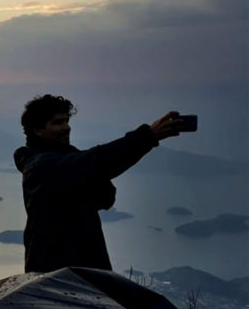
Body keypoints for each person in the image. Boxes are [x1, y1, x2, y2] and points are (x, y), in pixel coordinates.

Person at [13, 94, 183, 273]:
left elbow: (105, 194)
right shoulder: (42, 165)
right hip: (57, 270)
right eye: (57, 122)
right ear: (38, 130)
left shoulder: (63, 160)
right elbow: (99, 162)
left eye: (66, 121)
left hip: (77, 265)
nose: (66, 128)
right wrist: (148, 136)